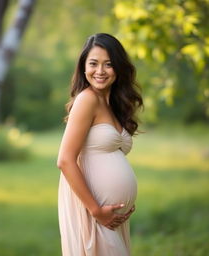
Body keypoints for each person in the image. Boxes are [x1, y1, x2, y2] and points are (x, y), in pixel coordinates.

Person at [57, 33, 143, 256]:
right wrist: (96, 210)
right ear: (83, 67)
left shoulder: (112, 104)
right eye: (93, 63)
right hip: (93, 211)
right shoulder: (88, 99)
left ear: (119, 68)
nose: (100, 71)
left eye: (109, 64)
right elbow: (65, 160)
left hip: (109, 215)